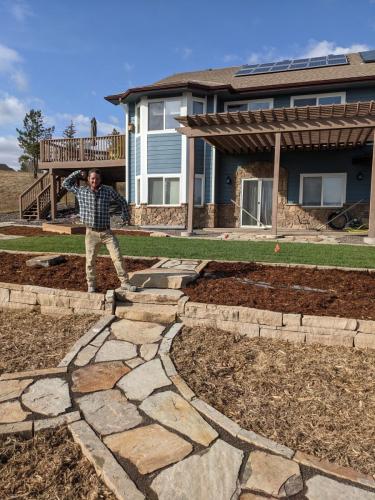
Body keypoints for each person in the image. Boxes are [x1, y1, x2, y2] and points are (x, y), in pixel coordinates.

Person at [63, 168, 138, 293]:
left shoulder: (108, 190)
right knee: (90, 261)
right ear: (88, 179)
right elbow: (65, 183)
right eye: (92, 178)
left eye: (97, 178)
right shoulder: (81, 191)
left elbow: (122, 201)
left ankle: (125, 283)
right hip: (91, 233)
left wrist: (125, 216)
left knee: (117, 257)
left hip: (107, 233)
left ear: (100, 179)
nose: (94, 181)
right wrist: (77, 173)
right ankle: (91, 285)